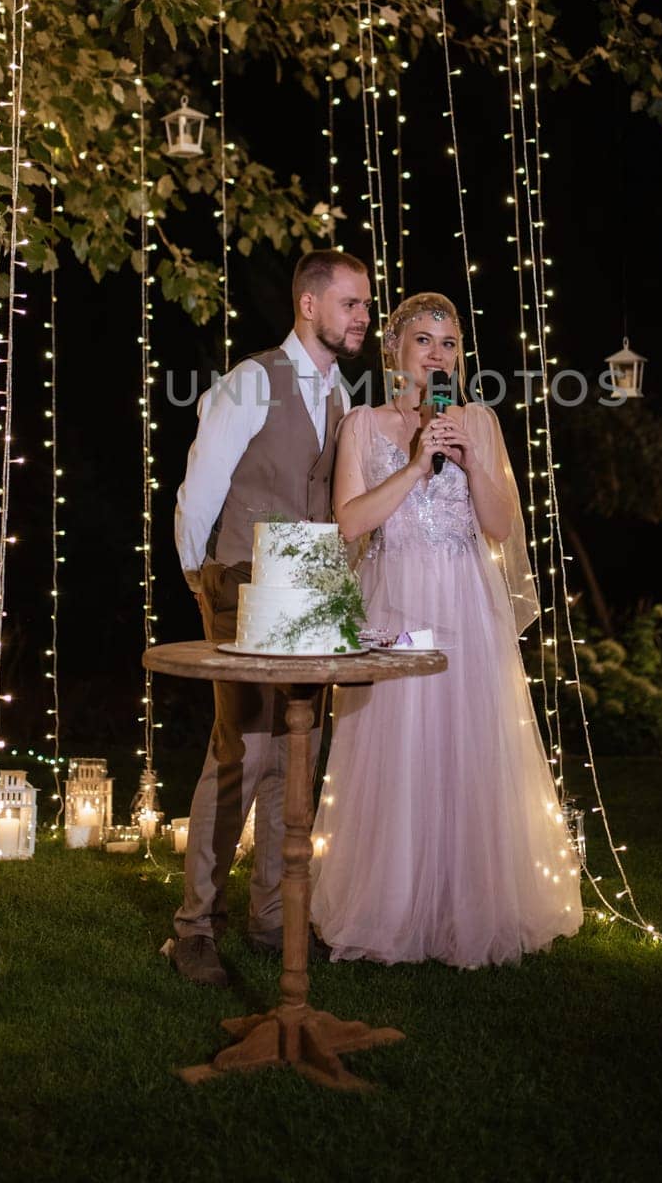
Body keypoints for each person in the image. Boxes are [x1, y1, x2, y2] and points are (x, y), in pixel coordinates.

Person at [310, 292, 582, 967]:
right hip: (396, 603)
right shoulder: (362, 426)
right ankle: (393, 906)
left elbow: (499, 525)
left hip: (466, 602)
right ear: (394, 351)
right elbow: (349, 523)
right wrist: (412, 466)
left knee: (469, 745)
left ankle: (475, 905)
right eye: (424, 341)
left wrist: (470, 461)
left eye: (449, 343)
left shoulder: (478, 422)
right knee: (396, 749)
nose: (438, 355)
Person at [168, 249, 372, 984]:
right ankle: (194, 926)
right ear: (310, 305)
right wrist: (206, 582)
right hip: (241, 586)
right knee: (242, 756)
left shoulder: (344, 396)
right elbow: (198, 493)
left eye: (367, 306)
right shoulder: (253, 381)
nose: (363, 318)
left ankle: (272, 920)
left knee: (297, 757)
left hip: (311, 595)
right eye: (352, 304)